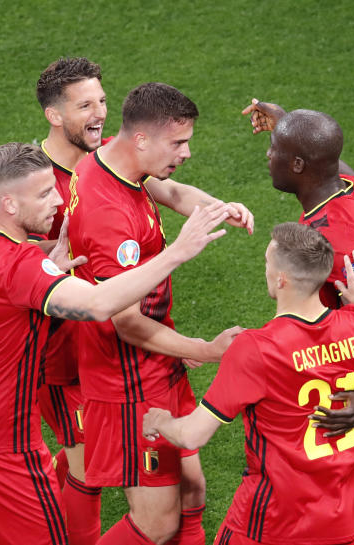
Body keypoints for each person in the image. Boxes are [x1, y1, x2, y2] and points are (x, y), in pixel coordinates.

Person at [0, 142, 232, 545]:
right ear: (9, 204)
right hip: (0, 443)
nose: (58, 200)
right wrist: (176, 253)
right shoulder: (22, 268)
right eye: (43, 194)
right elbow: (99, 305)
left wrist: (47, 261)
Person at [142, 223, 354, 545]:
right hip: (341, 527)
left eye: (266, 263)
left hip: (269, 527)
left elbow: (192, 434)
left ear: (281, 279)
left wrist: (160, 419)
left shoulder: (256, 349)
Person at [67, 82, 253, 545]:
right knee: (156, 523)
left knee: (192, 491)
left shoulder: (116, 159)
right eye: (179, 142)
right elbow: (125, 321)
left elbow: (171, 190)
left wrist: (217, 209)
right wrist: (206, 351)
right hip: (126, 379)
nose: (187, 152)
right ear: (143, 140)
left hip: (154, 362)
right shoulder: (109, 215)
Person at [242, 100, 354, 544]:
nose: (266, 155)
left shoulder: (337, 245)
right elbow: (327, 159)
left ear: (297, 164)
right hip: (337, 379)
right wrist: (288, 120)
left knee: (352, 529)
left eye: (274, 148)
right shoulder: (352, 188)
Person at [35, 56, 108, 545]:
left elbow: (166, 185)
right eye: (85, 105)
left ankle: (39, 512)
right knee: (92, 464)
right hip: (59, 358)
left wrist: (211, 206)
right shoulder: (33, 179)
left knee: (92, 455)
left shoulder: (106, 163)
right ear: (55, 116)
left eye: (102, 99)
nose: (100, 112)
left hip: (103, 342)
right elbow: (5, 255)